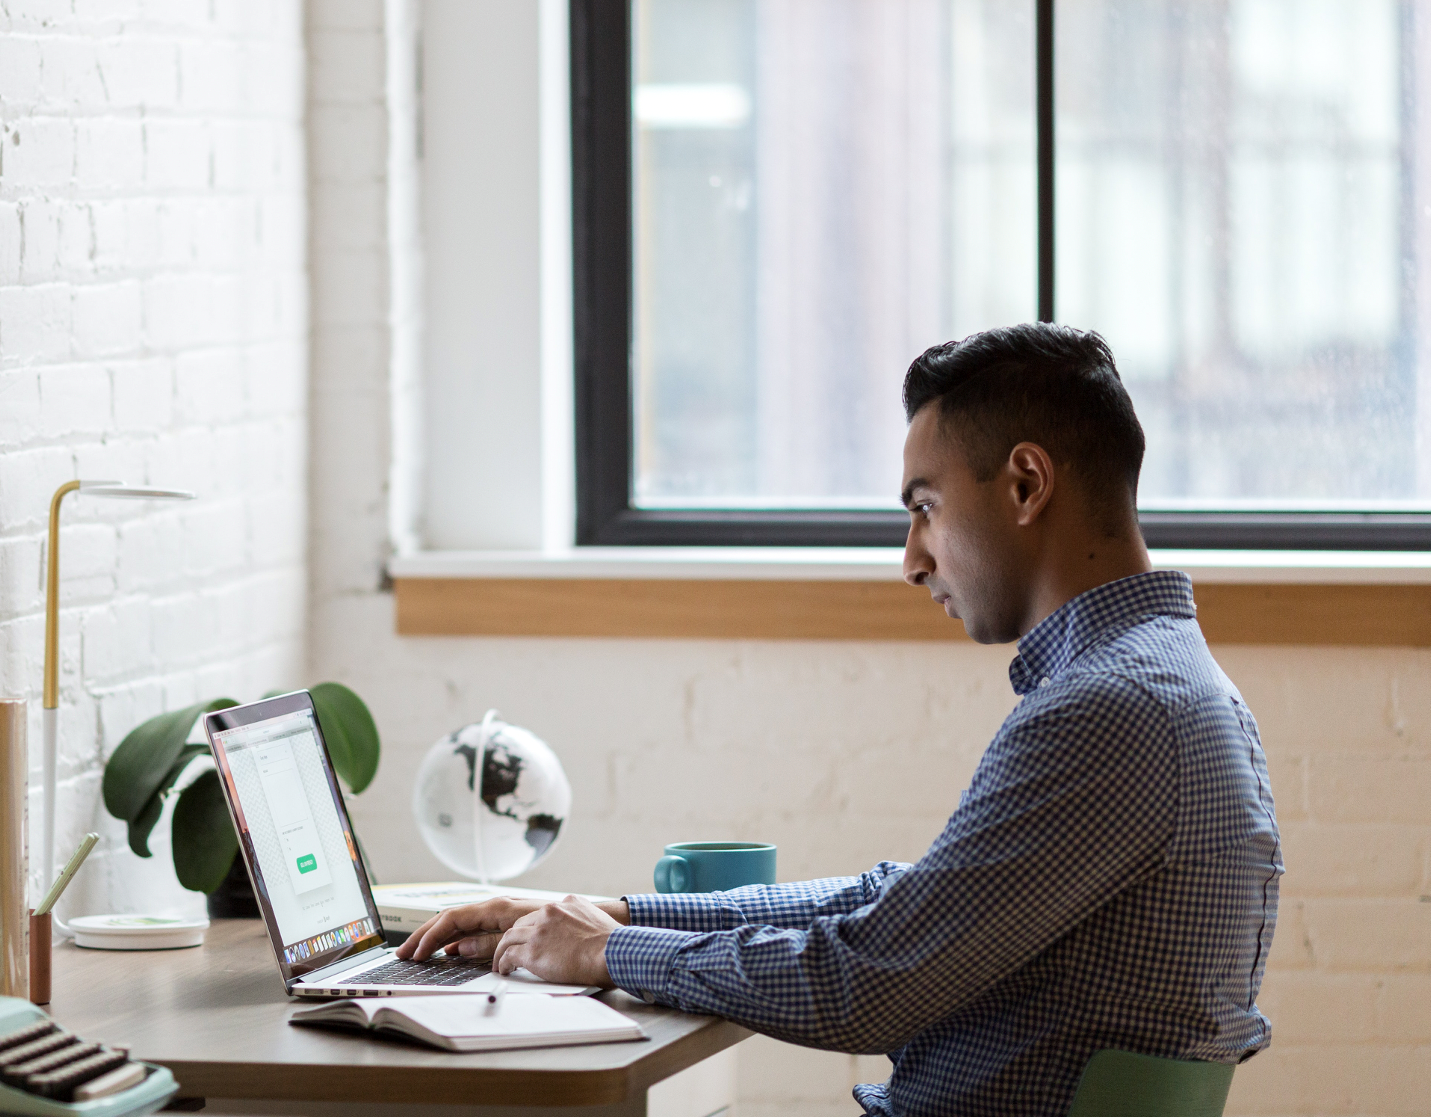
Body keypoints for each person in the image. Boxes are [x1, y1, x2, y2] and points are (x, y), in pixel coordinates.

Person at [396, 323, 1283, 1117]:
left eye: (924, 506)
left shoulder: (1109, 711)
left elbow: (868, 983)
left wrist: (612, 955)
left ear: (1025, 483)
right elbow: (899, 904)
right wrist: (614, 914)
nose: (911, 559)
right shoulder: (1171, 688)